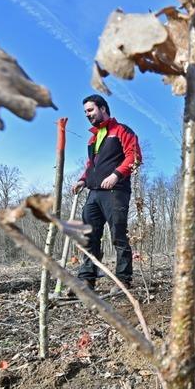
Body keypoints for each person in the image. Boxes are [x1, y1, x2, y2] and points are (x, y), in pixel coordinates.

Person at [70, 94, 142, 294]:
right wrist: (83, 180)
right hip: (93, 193)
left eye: (90, 110)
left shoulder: (121, 130)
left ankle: (123, 280)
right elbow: (91, 165)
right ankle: (86, 280)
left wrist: (116, 175)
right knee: (89, 236)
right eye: (85, 112)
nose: (87, 115)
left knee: (119, 234)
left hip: (115, 191)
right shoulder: (93, 138)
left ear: (103, 108)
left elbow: (134, 156)